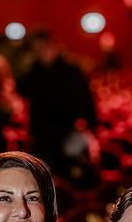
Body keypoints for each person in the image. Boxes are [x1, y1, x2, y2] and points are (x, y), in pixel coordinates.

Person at [17, 29, 97, 173]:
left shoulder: (70, 70)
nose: (42, 52)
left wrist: (89, 124)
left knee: (65, 173)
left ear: (53, 46)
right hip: (40, 133)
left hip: (65, 131)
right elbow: (22, 89)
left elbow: (85, 100)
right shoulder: (34, 71)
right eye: (37, 49)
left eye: (44, 47)